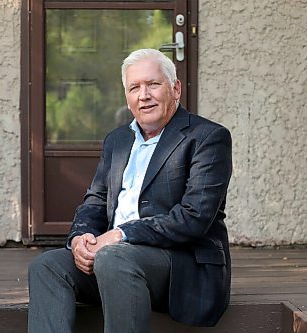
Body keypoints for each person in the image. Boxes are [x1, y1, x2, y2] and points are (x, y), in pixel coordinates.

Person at [28, 48, 232, 333]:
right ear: (127, 96)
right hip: (115, 261)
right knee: (47, 266)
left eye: (153, 84)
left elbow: (194, 217)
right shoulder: (117, 140)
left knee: (114, 257)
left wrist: (120, 234)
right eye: (134, 87)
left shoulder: (207, 138)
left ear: (175, 88)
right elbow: (95, 202)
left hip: (180, 266)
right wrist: (80, 239)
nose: (144, 95)